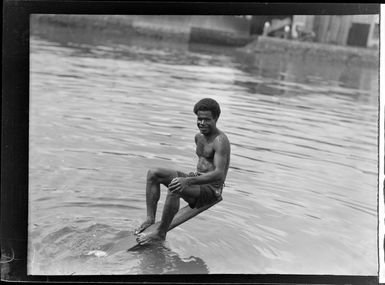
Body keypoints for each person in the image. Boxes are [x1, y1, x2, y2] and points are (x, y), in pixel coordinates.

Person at [135, 98, 231, 245]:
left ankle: (160, 233)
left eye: (207, 119)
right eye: (199, 119)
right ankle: (150, 219)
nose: (202, 123)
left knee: (176, 186)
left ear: (216, 118)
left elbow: (219, 173)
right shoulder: (198, 137)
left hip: (211, 190)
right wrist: (190, 179)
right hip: (197, 181)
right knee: (153, 173)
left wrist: (187, 181)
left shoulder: (220, 141)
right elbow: (203, 164)